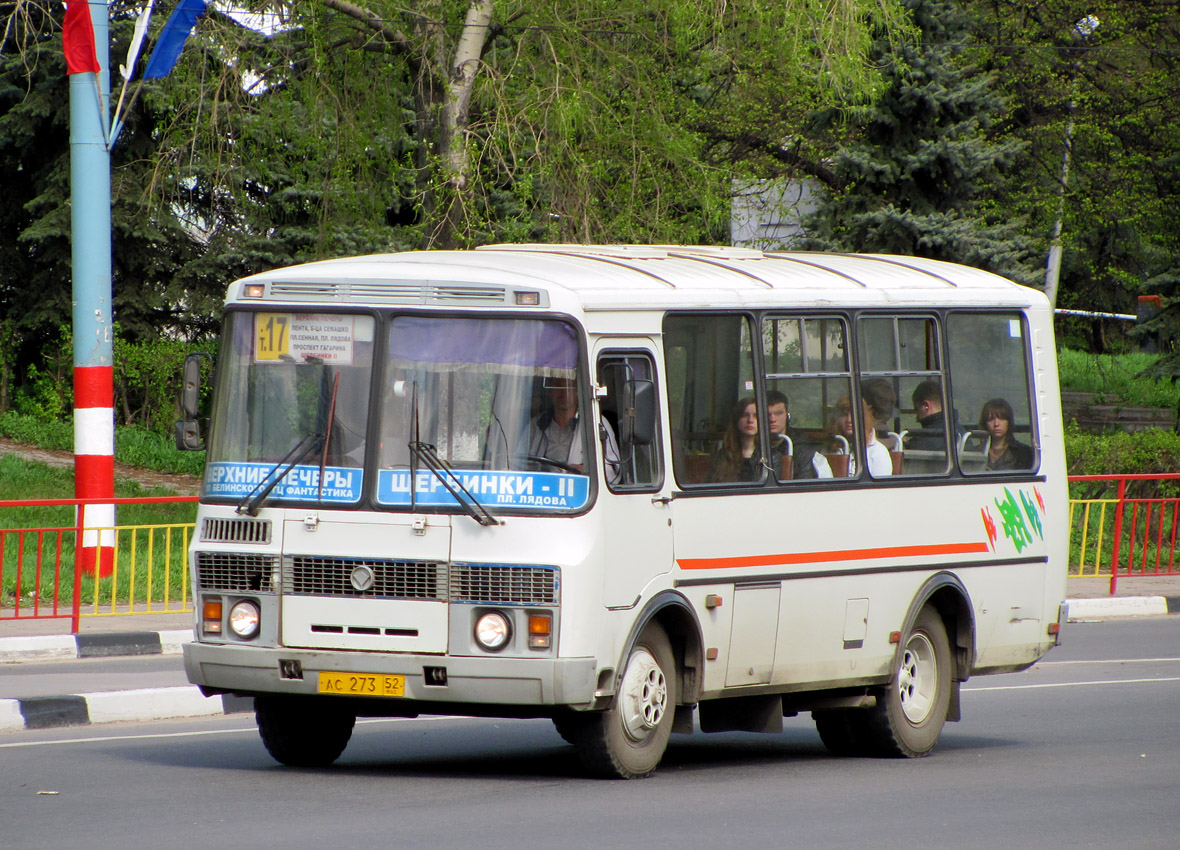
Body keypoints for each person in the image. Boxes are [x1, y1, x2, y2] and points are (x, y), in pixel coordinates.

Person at [528, 375, 621, 484]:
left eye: (569, 386)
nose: (563, 393)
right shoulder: (537, 424)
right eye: (558, 387)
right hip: (543, 491)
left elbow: (613, 474)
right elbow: (517, 464)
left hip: (583, 495)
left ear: (578, 391)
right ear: (549, 391)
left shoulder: (596, 422)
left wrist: (585, 470)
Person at [830, 379, 895, 477]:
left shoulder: (878, 453)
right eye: (844, 414)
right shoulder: (830, 449)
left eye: (854, 414)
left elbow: (879, 489)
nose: (849, 420)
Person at [709, 396, 773, 483]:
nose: (750, 420)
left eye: (755, 416)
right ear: (737, 420)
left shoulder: (771, 456)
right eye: (745, 415)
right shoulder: (723, 455)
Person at [766, 389, 823, 479]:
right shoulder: (751, 445)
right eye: (766, 414)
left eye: (778, 413)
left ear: (787, 415)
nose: (772, 419)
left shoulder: (802, 450)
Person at [979, 397, 1034, 471]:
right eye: (990, 419)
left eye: (1001, 419)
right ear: (985, 423)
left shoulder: (1024, 453)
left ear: (1009, 422)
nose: (996, 424)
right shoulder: (976, 453)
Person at [909, 379, 964, 451]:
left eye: (916, 409)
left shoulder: (927, 438)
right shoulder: (962, 433)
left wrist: (904, 444)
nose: (917, 416)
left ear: (926, 406)